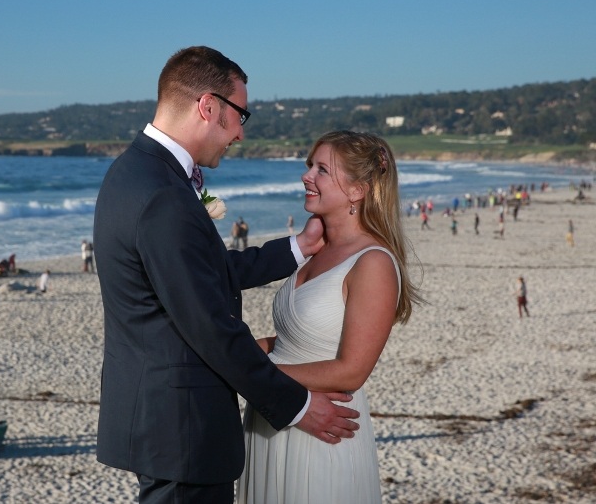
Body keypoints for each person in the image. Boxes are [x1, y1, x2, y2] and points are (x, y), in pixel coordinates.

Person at [92, 46, 359, 504]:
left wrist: (298, 248)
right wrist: (295, 406)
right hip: (183, 428)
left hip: (160, 418)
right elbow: (210, 325)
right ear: (208, 106)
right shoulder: (164, 197)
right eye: (241, 115)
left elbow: (203, 273)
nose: (239, 133)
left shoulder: (137, 173)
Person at [239, 131, 422, 503]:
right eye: (310, 166)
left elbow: (351, 370)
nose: (307, 176)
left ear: (357, 190)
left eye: (322, 169)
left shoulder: (373, 262)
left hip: (321, 428)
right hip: (272, 419)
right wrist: (235, 350)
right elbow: (294, 340)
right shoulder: (315, 250)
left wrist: (247, 373)